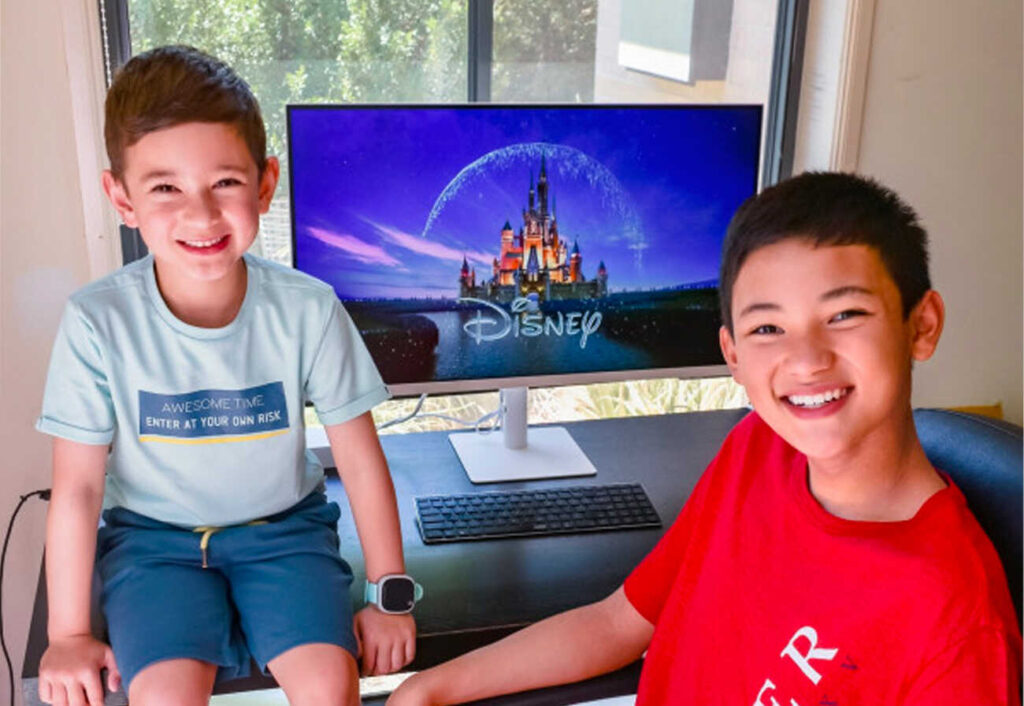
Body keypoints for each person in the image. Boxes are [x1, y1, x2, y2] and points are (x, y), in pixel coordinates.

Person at [387, 172, 1022, 704]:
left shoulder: (957, 632)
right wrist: (427, 691)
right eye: (768, 328)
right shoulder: (758, 451)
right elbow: (618, 622)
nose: (806, 360)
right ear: (733, 353)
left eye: (845, 315)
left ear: (922, 326)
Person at [35, 45, 418, 706]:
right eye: (165, 188)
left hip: (285, 537)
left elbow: (359, 461)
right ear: (121, 198)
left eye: (225, 183)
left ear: (265, 184)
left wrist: (389, 594)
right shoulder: (96, 323)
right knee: (161, 697)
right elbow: (76, 490)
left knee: (333, 689)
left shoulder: (308, 308)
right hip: (153, 549)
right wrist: (67, 633)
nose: (202, 214)